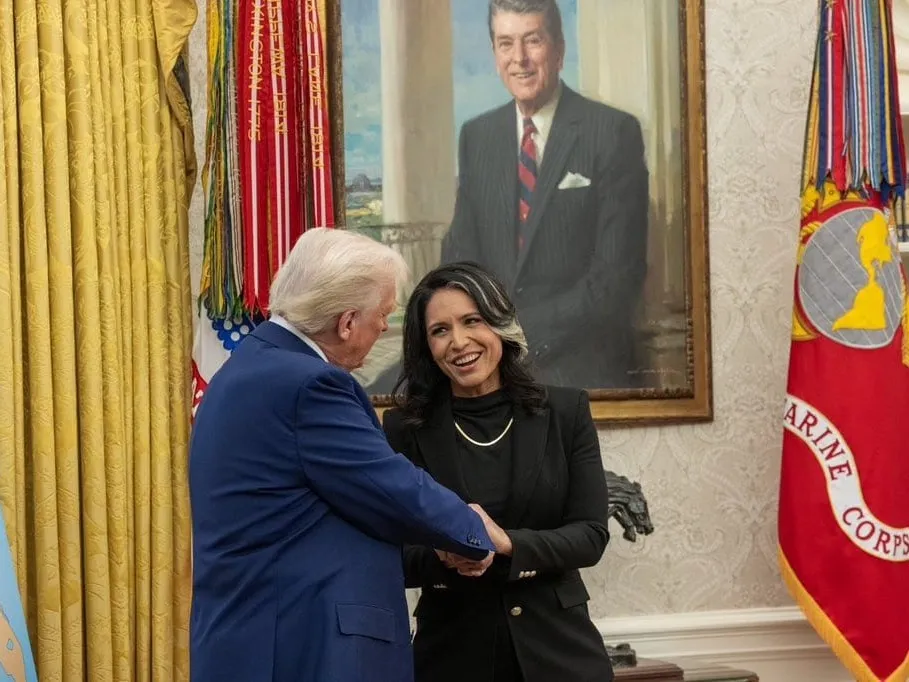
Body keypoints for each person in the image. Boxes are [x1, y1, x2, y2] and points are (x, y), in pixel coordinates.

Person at [189, 228, 497, 682]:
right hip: (303, 650)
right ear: (347, 322)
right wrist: (471, 531)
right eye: (383, 315)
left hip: (255, 643)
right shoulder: (307, 385)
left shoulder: (249, 366)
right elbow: (389, 485)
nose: (385, 328)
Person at [383, 261, 614, 682]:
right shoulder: (405, 428)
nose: (459, 342)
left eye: (472, 321)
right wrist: (446, 555)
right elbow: (391, 554)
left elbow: (591, 536)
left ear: (500, 325)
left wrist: (507, 543)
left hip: (560, 655)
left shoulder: (566, 412)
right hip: (451, 657)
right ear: (426, 346)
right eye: (440, 330)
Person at [441, 0, 650, 389]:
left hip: (579, 358)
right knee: (389, 395)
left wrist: (510, 336)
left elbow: (615, 280)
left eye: (533, 40)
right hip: (486, 354)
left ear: (559, 50)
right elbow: (459, 259)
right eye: (506, 43)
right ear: (494, 53)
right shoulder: (476, 137)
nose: (519, 58)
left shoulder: (612, 132)